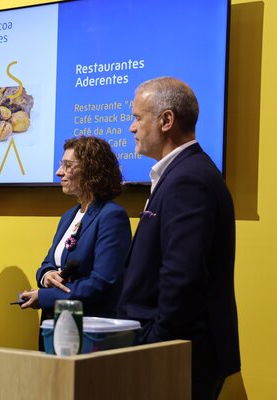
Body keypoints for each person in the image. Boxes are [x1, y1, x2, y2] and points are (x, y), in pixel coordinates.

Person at [117, 77, 240, 400]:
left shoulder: (189, 180)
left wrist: (156, 343)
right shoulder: (182, 173)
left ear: (166, 120)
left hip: (178, 354)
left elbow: (183, 276)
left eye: (137, 117)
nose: (132, 127)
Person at [20, 137, 132, 348]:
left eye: (67, 165)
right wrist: (46, 276)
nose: (58, 172)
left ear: (91, 169)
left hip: (88, 329)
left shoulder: (111, 216)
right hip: (55, 325)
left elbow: (102, 283)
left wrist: (45, 297)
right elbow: (48, 263)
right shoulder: (69, 216)